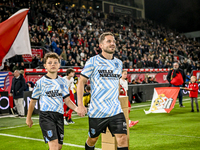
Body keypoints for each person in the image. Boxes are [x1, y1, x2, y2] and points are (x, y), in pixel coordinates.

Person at [77, 32, 129, 150]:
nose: (112, 44)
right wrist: (80, 105)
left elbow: (116, 83)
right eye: (109, 41)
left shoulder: (118, 63)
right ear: (101, 45)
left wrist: (117, 95)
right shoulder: (93, 61)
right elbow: (81, 82)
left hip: (115, 109)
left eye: (114, 41)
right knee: (93, 139)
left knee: (122, 138)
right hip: (97, 111)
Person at [26, 52, 83, 150]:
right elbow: (33, 101)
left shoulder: (63, 81)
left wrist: (77, 108)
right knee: (54, 146)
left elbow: (67, 100)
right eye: (50, 63)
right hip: (46, 116)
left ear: (59, 65)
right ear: (45, 66)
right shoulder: (40, 82)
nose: (53, 64)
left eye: (55, 62)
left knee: (59, 147)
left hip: (59, 116)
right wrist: (28, 118)